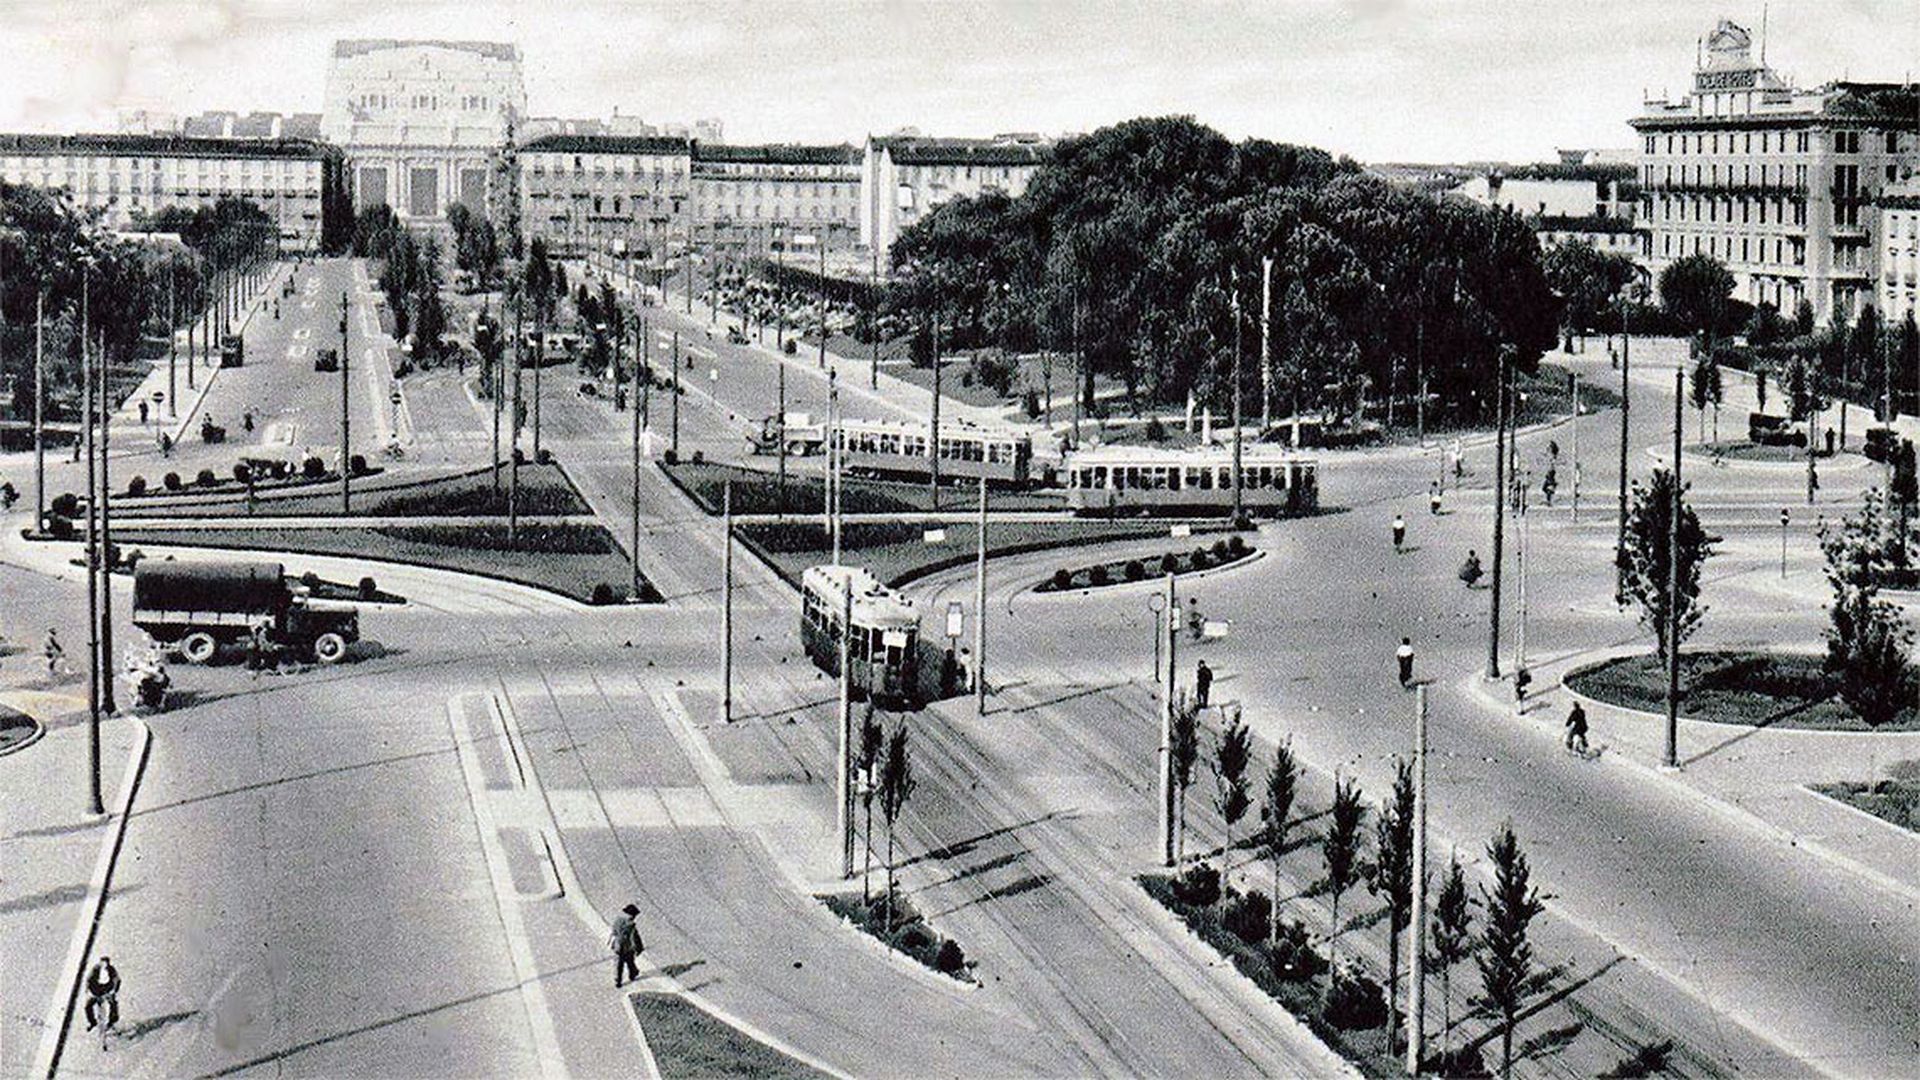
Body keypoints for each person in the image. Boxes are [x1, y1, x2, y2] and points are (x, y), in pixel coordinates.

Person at [609, 903, 645, 987]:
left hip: (617, 945)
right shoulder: (631, 925)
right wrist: (639, 948)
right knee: (630, 961)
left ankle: (618, 980)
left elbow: (614, 931)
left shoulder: (617, 920)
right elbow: (634, 938)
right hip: (627, 947)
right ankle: (632, 974)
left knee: (619, 963)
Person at [84, 956, 120, 1032]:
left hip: (107, 990)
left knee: (113, 1004)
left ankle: (112, 1021)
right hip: (96, 991)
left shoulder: (112, 970)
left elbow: (117, 980)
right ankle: (92, 1022)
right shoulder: (95, 969)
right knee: (88, 1006)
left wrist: (113, 991)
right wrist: (89, 991)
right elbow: (89, 980)